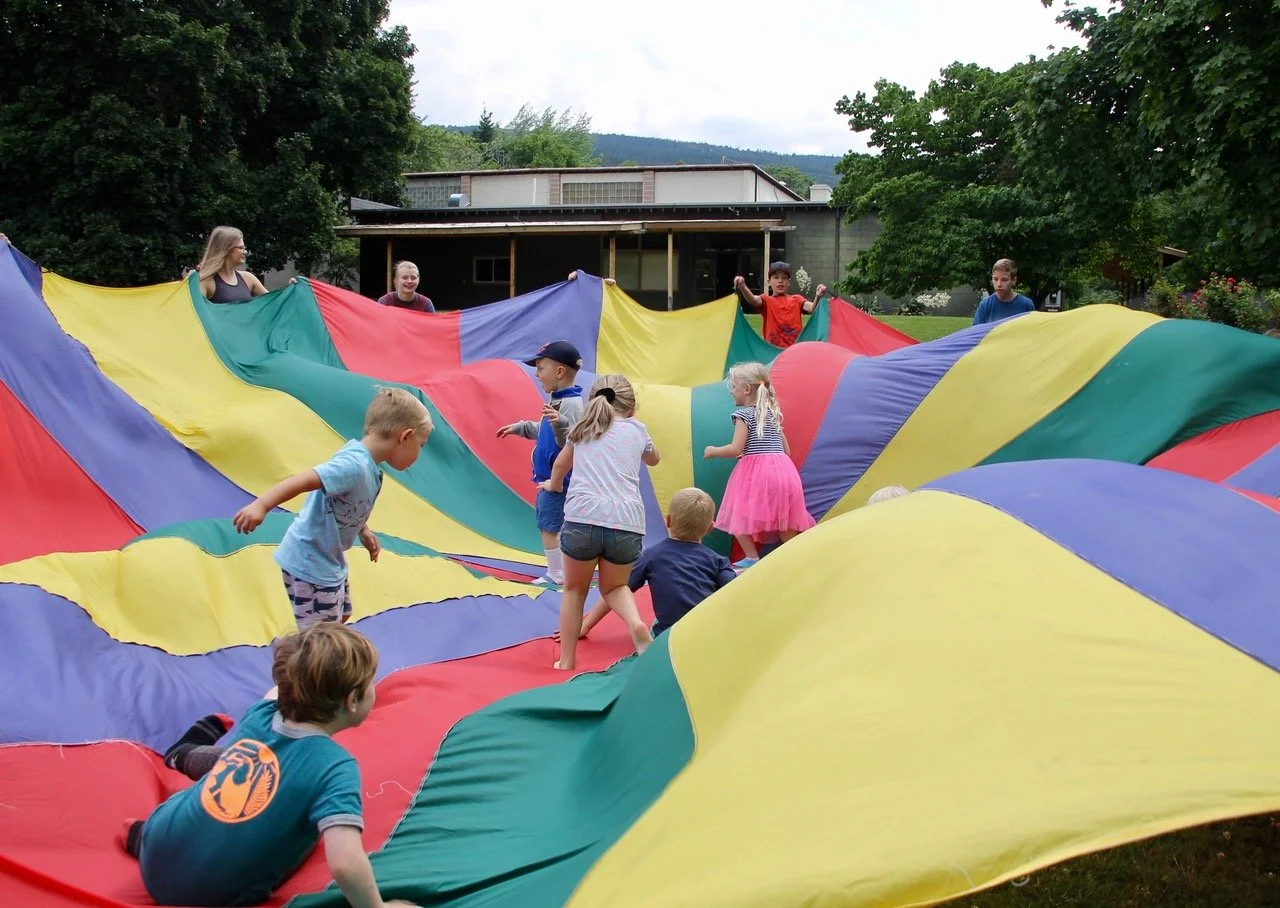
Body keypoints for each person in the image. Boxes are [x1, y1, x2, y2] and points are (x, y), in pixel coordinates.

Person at [117, 624, 419, 908]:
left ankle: (150, 831)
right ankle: (184, 762)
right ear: (353, 700)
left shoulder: (262, 713)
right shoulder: (335, 767)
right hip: (208, 897)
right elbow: (344, 862)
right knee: (309, 831)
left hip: (156, 847)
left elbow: (278, 691)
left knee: (230, 774)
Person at [232, 387, 433, 628]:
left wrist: (363, 530)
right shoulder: (354, 465)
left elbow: (347, 502)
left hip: (328, 560)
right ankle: (305, 664)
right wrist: (262, 504)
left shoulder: (366, 464)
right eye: (421, 445)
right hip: (310, 563)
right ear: (405, 436)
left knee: (341, 616)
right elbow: (305, 479)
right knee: (322, 636)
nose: (419, 454)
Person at [540, 374, 660, 670]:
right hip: (626, 523)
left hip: (583, 518)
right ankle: (635, 624)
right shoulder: (637, 430)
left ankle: (566, 660)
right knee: (615, 587)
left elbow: (560, 465)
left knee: (574, 590)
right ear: (630, 408)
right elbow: (654, 459)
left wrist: (554, 486)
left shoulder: (583, 429)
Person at [575, 487, 735, 640]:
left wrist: (586, 625)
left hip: (670, 637)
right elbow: (737, 591)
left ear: (668, 521)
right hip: (709, 631)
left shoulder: (651, 555)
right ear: (710, 528)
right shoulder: (718, 561)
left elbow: (616, 589)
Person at [703, 361, 814, 568]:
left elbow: (736, 449)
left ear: (746, 389)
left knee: (736, 513)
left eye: (733, 387)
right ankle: (798, 556)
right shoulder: (771, 413)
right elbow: (786, 451)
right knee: (785, 520)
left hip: (757, 473)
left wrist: (714, 451)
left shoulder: (743, 415)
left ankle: (752, 557)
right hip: (783, 472)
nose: (731, 392)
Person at [496, 341, 585, 586]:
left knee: (549, 524)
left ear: (559, 372)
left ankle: (556, 572)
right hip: (552, 477)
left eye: (541, 368)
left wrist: (561, 423)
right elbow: (545, 430)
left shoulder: (572, 405)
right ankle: (562, 569)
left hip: (559, 480)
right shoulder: (558, 400)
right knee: (554, 522)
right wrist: (523, 428)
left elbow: (574, 442)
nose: (537, 374)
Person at [733, 261, 829, 348]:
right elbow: (753, 300)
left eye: (784, 278)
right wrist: (743, 286)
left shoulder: (797, 299)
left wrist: (818, 296)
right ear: (769, 282)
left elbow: (812, 308)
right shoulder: (766, 300)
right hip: (773, 351)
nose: (780, 280)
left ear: (789, 282)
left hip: (794, 350)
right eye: (776, 277)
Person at [197, 226, 269, 303]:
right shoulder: (205, 281)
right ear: (226, 249)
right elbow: (194, 311)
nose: (245, 252)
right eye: (241, 248)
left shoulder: (248, 278)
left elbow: (274, 302)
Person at [972, 258, 1035, 325]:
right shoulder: (985, 305)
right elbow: (976, 332)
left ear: (1014, 280)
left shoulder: (1026, 305)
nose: (999, 284)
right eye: (995, 279)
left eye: (1004, 280)